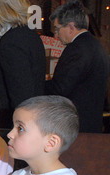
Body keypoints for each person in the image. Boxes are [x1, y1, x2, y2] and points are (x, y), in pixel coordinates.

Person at [0, 0, 46, 129]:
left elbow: (22, 97)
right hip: (28, 125)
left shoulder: (12, 41)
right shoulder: (30, 36)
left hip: (9, 129)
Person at [46, 0, 110, 133]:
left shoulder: (77, 48)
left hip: (75, 126)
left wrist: (34, 85)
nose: (56, 35)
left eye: (58, 29)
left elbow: (60, 88)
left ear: (71, 27)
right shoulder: (96, 46)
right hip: (91, 123)